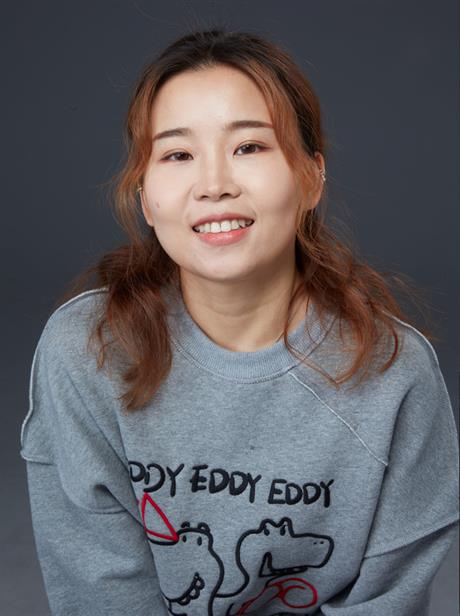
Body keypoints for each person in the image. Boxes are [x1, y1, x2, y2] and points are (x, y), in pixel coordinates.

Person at [20, 28, 459, 616]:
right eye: (177, 155)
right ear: (146, 198)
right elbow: (101, 592)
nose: (214, 186)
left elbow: (388, 601)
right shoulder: (89, 351)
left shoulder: (393, 373)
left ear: (311, 178)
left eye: (249, 147)